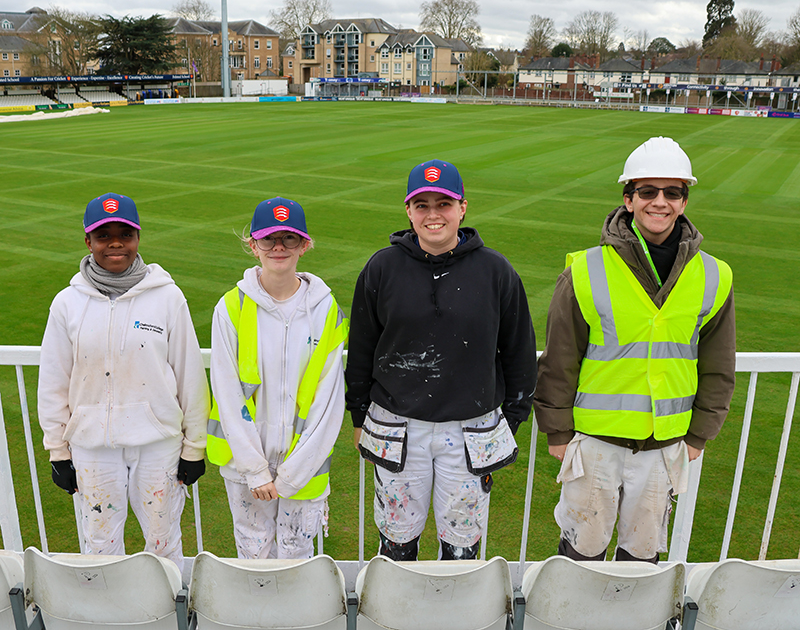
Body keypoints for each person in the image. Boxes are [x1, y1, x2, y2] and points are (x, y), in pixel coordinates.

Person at [534, 137, 736, 563]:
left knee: (642, 559)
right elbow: (560, 358)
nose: (659, 202)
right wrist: (558, 431)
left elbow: (719, 365)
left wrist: (699, 434)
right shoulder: (586, 269)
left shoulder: (715, 275)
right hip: (594, 443)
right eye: (647, 191)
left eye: (672, 192)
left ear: (684, 202)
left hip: (665, 445)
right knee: (581, 552)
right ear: (628, 200)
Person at [345, 159, 537, 561]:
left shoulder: (496, 271)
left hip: (470, 431)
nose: (433, 215)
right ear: (408, 210)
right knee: (396, 543)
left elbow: (519, 353)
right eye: (422, 205)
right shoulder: (381, 268)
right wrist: (359, 416)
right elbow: (362, 349)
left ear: (462, 208)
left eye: (444, 204)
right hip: (397, 427)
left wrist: (511, 421)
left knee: (462, 548)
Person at [38, 193, 209, 571]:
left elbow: (190, 375)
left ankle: (166, 606)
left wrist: (195, 446)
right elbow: (53, 381)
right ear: (88, 241)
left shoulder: (168, 297)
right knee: (100, 544)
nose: (115, 243)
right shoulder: (67, 303)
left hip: (158, 444)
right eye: (104, 235)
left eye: (125, 235)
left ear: (137, 237)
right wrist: (58, 451)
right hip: (91, 446)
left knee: (163, 542)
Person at [208, 197, 347, 560]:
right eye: (269, 239)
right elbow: (227, 394)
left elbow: (328, 401)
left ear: (305, 245)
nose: (279, 247)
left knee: (297, 555)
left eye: (289, 238)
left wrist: (292, 475)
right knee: (253, 556)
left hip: (304, 467)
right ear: (253, 245)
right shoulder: (231, 307)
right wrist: (256, 471)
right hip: (245, 467)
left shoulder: (326, 310)